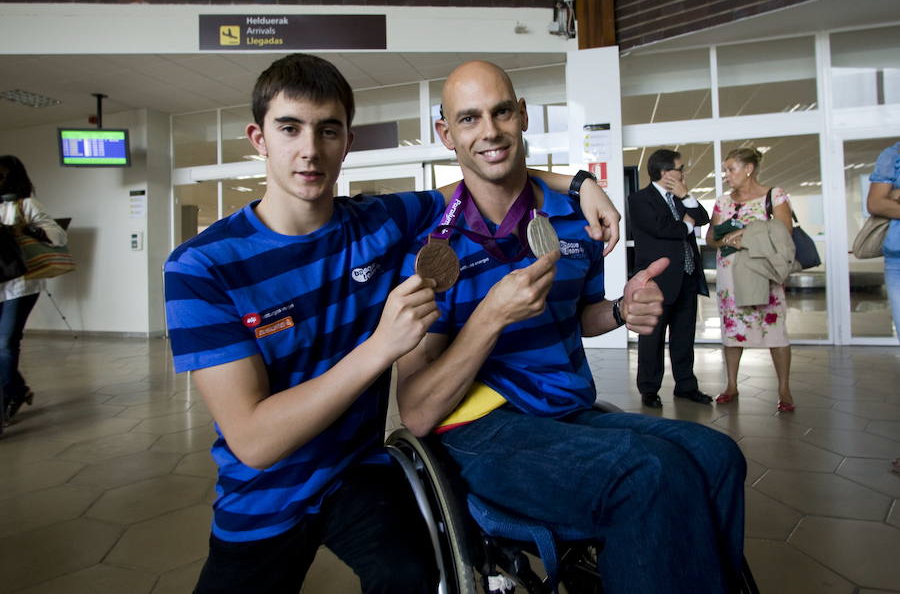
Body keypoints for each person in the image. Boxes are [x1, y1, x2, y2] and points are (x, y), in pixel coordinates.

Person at [163, 53, 620, 594]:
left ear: (347, 141)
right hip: (264, 496)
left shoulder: (380, 223)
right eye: (290, 129)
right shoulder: (200, 267)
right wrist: (381, 348)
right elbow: (255, 442)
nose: (310, 150)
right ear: (259, 138)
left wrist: (580, 184)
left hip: (362, 474)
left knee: (413, 577)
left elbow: (488, 170)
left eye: (327, 130)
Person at [396, 60, 747, 594]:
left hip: (566, 412)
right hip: (479, 429)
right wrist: (491, 315)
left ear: (523, 116)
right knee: (646, 472)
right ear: (447, 134)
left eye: (501, 112)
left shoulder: (573, 214)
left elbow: (580, 316)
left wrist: (621, 311)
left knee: (718, 457)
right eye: (469, 119)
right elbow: (417, 410)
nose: (489, 131)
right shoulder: (432, 244)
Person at [705, 147, 795, 412]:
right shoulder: (723, 202)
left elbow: (783, 232)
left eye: (731, 169)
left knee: (775, 328)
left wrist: (746, 235)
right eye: (725, 170)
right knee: (732, 329)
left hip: (762, 270)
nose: (726, 175)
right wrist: (725, 238)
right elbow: (711, 237)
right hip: (730, 273)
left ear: (749, 169)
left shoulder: (773, 196)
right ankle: (731, 385)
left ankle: (784, 389)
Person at [628, 149, 711, 409]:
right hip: (658, 282)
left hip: (687, 277)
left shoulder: (679, 198)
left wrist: (686, 196)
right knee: (652, 339)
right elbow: (662, 229)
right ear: (665, 172)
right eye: (680, 168)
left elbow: (704, 217)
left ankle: (686, 386)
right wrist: (687, 225)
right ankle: (649, 389)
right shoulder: (640, 199)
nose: (683, 173)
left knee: (684, 337)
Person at [0, 155, 68, 423]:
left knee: (5, 344)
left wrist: (29, 230)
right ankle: (17, 390)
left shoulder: (26, 204)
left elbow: (59, 236)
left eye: (3, 175)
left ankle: (7, 398)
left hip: (21, 285)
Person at [866, 141, 900, 340]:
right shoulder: (893, 154)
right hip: (897, 258)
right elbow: (876, 203)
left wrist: (895, 195)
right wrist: (888, 198)